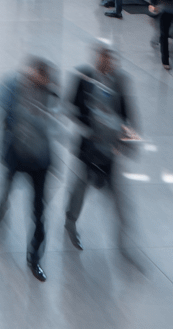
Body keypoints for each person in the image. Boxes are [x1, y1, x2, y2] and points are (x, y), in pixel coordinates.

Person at [63, 44, 140, 264]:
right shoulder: (83, 77)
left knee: (119, 198)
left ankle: (123, 240)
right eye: (102, 59)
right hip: (89, 148)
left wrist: (129, 141)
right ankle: (70, 222)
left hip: (110, 151)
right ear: (96, 60)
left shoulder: (120, 81)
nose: (106, 63)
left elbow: (127, 113)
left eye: (109, 59)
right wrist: (89, 124)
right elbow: (70, 105)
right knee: (79, 189)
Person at [0, 57, 57, 282]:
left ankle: (34, 258)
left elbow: (54, 122)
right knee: (6, 190)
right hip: (17, 155)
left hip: (39, 162)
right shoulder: (14, 86)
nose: (43, 81)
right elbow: (3, 109)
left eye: (46, 78)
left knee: (39, 212)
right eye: (40, 76)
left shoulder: (50, 94)